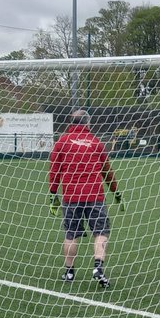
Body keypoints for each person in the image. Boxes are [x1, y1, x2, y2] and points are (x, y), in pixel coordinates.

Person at [49, 109, 122, 288]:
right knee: (101, 232)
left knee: (71, 234)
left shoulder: (62, 142)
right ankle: (98, 267)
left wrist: (53, 194)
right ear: (88, 123)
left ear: (71, 122)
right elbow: (107, 171)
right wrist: (116, 192)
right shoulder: (96, 143)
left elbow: (54, 170)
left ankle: (69, 272)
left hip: (71, 196)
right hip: (95, 195)